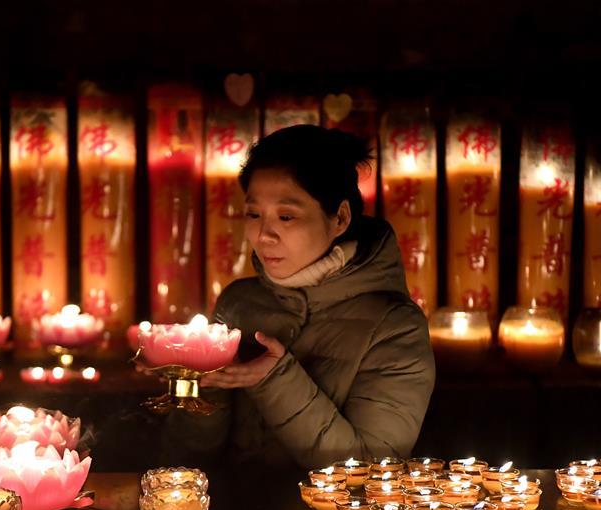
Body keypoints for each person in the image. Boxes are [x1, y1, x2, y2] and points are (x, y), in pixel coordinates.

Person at [183, 124, 435, 470]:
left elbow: (372, 473)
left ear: (340, 218)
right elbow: (188, 460)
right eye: (254, 214)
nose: (264, 235)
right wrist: (196, 384)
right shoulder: (239, 303)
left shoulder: (395, 325)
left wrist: (274, 380)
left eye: (286, 216)